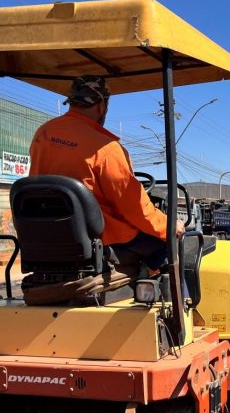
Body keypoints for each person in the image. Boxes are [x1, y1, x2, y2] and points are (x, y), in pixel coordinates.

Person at [29, 76, 184, 272]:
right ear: (101, 105)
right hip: (98, 239)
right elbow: (135, 208)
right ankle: (172, 298)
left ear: (73, 101)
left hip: (46, 236)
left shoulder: (42, 134)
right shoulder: (105, 147)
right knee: (171, 245)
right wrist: (168, 225)